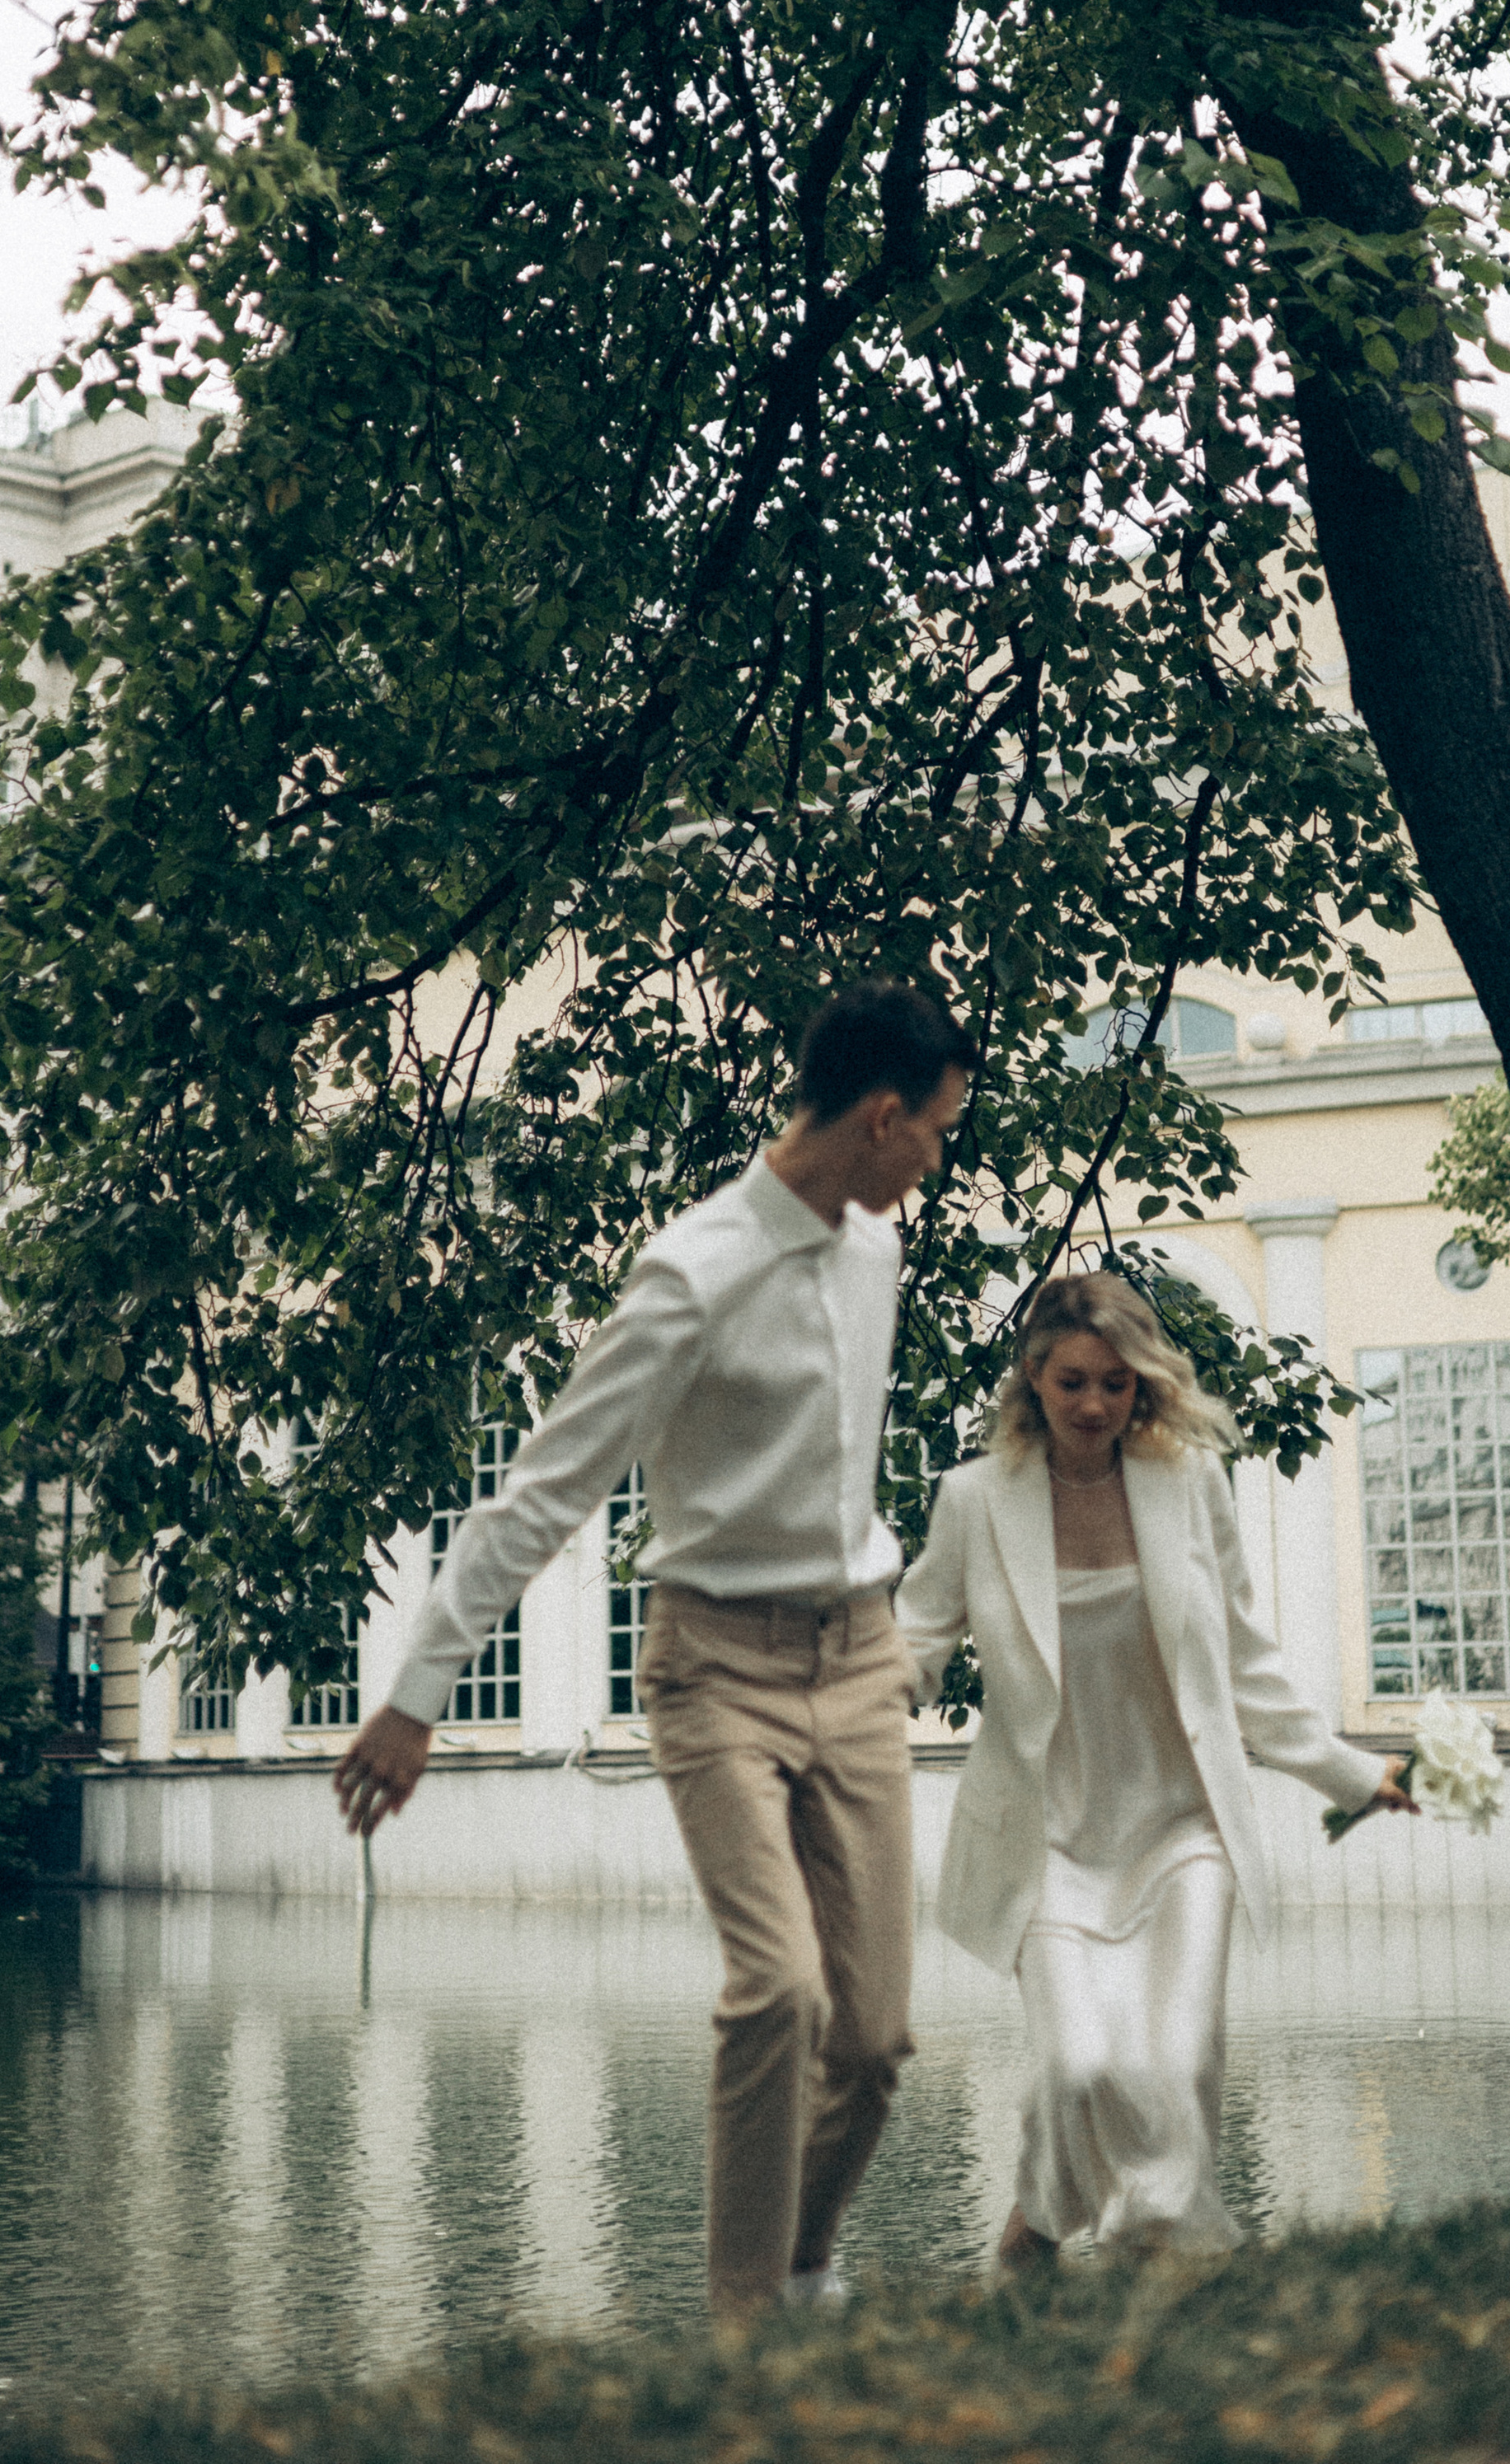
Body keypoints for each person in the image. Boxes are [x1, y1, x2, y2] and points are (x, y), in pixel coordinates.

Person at [335, 978, 978, 2315]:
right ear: (878, 1117)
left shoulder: (875, 1244)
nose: (938, 1158)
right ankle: (748, 2325)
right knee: (779, 1990)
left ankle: (802, 2269)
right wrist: (413, 1698)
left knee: (872, 2041)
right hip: (715, 1672)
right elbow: (544, 1495)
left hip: (855, 1663)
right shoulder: (692, 1279)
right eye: (937, 1131)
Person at [895, 1270, 1414, 2265]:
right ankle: (1049, 2223)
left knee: (1173, 2063)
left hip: (1182, 1825)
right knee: (1080, 2066)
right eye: (1074, 1381)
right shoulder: (973, 1501)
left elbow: (1246, 1663)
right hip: (1046, 1836)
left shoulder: (1189, 1487)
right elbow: (911, 1645)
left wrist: (1354, 1774)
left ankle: (1160, 2261)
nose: (1094, 1404)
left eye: (1118, 1384)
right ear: (1034, 1379)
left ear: (1144, 1389)